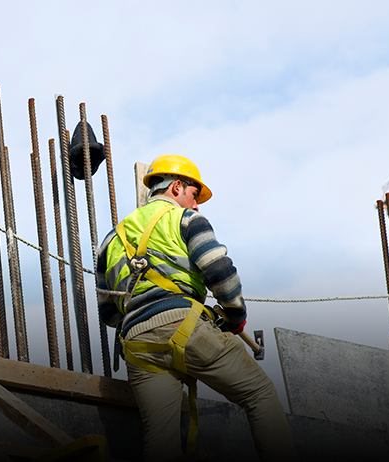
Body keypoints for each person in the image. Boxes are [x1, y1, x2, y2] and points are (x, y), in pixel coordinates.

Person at [96, 154, 293, 461]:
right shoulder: (186, 219)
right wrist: (237, 315)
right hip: (183, 325)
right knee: (259, 395)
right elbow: (219, 271)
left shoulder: (111, 240)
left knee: (161, 440)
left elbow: (108, 313)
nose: (197, 205)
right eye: (194, 195)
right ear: (176, 187)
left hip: (136, 344)